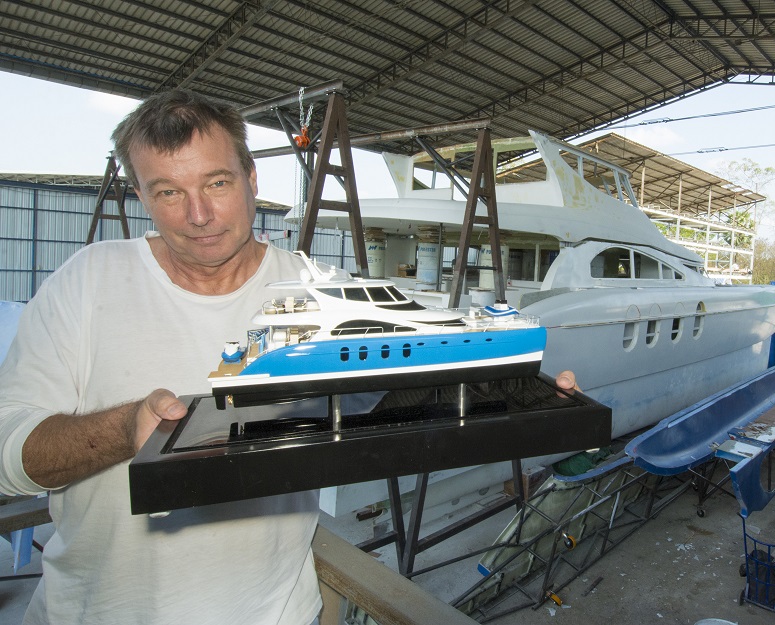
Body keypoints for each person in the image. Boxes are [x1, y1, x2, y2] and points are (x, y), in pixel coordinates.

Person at [0, 89, 580, 625]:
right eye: (169, 192)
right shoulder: (87, 283)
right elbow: (9, 456)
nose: (198, 214)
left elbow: (396, 388)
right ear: (141, 195)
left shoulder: (320, 288)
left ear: (252, 179)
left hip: (274, 612)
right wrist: (124, 429)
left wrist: (507, 388)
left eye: (218, 183)